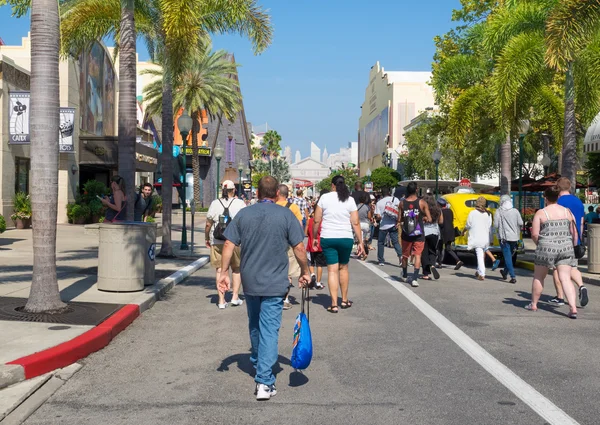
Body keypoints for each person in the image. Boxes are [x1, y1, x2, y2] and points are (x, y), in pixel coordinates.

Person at [218, 176, 310, 400]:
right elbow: (299, 247)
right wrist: (306, 271)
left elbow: (229, 243)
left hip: (250, 281)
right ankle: (264, 381)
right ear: (277, 194)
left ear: (257, 193)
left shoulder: (244, 214)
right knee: (269, 329)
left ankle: (259, 361)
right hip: (275, 282)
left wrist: (223, 272)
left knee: (255, 324)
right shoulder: (287, 215)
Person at [313, 175, 365, 313]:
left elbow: (317, 219)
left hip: (328, 237)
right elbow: (355, 222)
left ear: (332, 185)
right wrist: (361, 242)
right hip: (345, 238)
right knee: (343, 268)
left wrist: (314, 237)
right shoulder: (350, 199)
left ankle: (334, 304)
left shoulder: (324, 198)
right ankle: (345, 300)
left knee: (332, 270)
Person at [528, 185, 578, 318]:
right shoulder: (567, 212)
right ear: (558, 197)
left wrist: (540, 244)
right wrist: (571, 246)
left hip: (546, 247)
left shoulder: (541, 213)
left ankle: (534, 304)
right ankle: (573, 307)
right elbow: (574, 232)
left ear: (545, 198)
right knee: (566, 278)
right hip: (565, 247)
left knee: (539, 276)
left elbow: (534, 234)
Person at [206, 180, 246, 309]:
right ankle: (235, 297)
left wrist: (207, 238)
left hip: (217, 241)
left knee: (219, 269)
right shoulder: (240, 203)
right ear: (233, 190)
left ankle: (221, 300)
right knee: (236, 269)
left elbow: (208, 224)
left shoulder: (215, 203)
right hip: (235, 241)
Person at [550, 177, 589, 307]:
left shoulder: (558, 201)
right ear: (569, 187)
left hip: (560, 239)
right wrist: (578, 240)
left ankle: (560, 297)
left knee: (557, 268)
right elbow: (582, 222)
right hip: (575, 240)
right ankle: (581, 286)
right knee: (572, 266)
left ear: (558, 187)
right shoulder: (578, 201)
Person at [398, 181, 432, 287]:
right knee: (417, 255)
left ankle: (404, 274)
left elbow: (399, 219)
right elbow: (430, 218)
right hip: (419, 233)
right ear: (417, 190)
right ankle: (415, 278)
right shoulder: (422, 203)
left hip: (407, 233)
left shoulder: (402, 203)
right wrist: (424, 218)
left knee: (405, 255)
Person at [276, 185, 303, 310]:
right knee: (288, 272)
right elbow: (299, 225)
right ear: (287, 194)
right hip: (289, 243)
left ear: (277, 193)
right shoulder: (293, 207)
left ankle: (274, 296)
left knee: (275, 270)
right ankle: (285, 299)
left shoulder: (272, 206)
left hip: (273, 243)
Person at [494, 195, 523, 284]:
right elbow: (521, 223)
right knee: (509, 256)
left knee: (507, 257)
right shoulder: (515, 211)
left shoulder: (498, 211)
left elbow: (495, 225)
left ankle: (512, 276)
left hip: (504, 238)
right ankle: (505, 272)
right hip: (514, 238)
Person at [464, 196, 492, 280]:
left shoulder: (472, 213)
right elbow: (490, 227)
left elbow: (468, 225)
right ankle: (478, 270)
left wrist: (463, 231)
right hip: (485, 238)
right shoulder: (488, 214)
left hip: (476, 237)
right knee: (481, 254)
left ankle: (482, 273)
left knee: (479, 255)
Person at [375, 188, 403, 266]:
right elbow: (400, 210)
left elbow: (378, 216)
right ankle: (400, 256)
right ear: (389, 193)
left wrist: (378, 218)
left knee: (380, 243)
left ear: (382, 194)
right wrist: (398, 221)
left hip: (383, 225)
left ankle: (381, 260)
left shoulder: (379, 202)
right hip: (393, 224)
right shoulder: (396, 199)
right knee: (395, 242)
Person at [437, 198, 463, 270]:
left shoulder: (440, 212)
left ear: (439, 205)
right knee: (448, 248)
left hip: (443, 232)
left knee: (440, 247)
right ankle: (458, 260)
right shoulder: (450, 211)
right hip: (450, 231)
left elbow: (440, 223)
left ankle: (439, 263)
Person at [421, 194, 443, 280]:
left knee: (424, 253)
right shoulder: (438, 210)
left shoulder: (422, 210)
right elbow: (441, 221)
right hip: (435, 232)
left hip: (424, 232)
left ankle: (426, 273)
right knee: (433, 251)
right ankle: (433, 265)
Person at [306, 209, 326, 290]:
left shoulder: (309, 221)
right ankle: (318, 282)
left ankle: (312, 274)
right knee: (319, 264)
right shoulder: (323, 222)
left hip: (310, 245)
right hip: (320, 245)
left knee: (310, 262)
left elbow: (307, 232)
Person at [356, 192, 373, 260]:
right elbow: (369, 216)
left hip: (358, 224)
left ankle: (361, 253)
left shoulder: (356, 206)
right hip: (365, 224)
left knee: (359, 240)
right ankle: (365, 242)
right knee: (365, 238)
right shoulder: (367, 207)